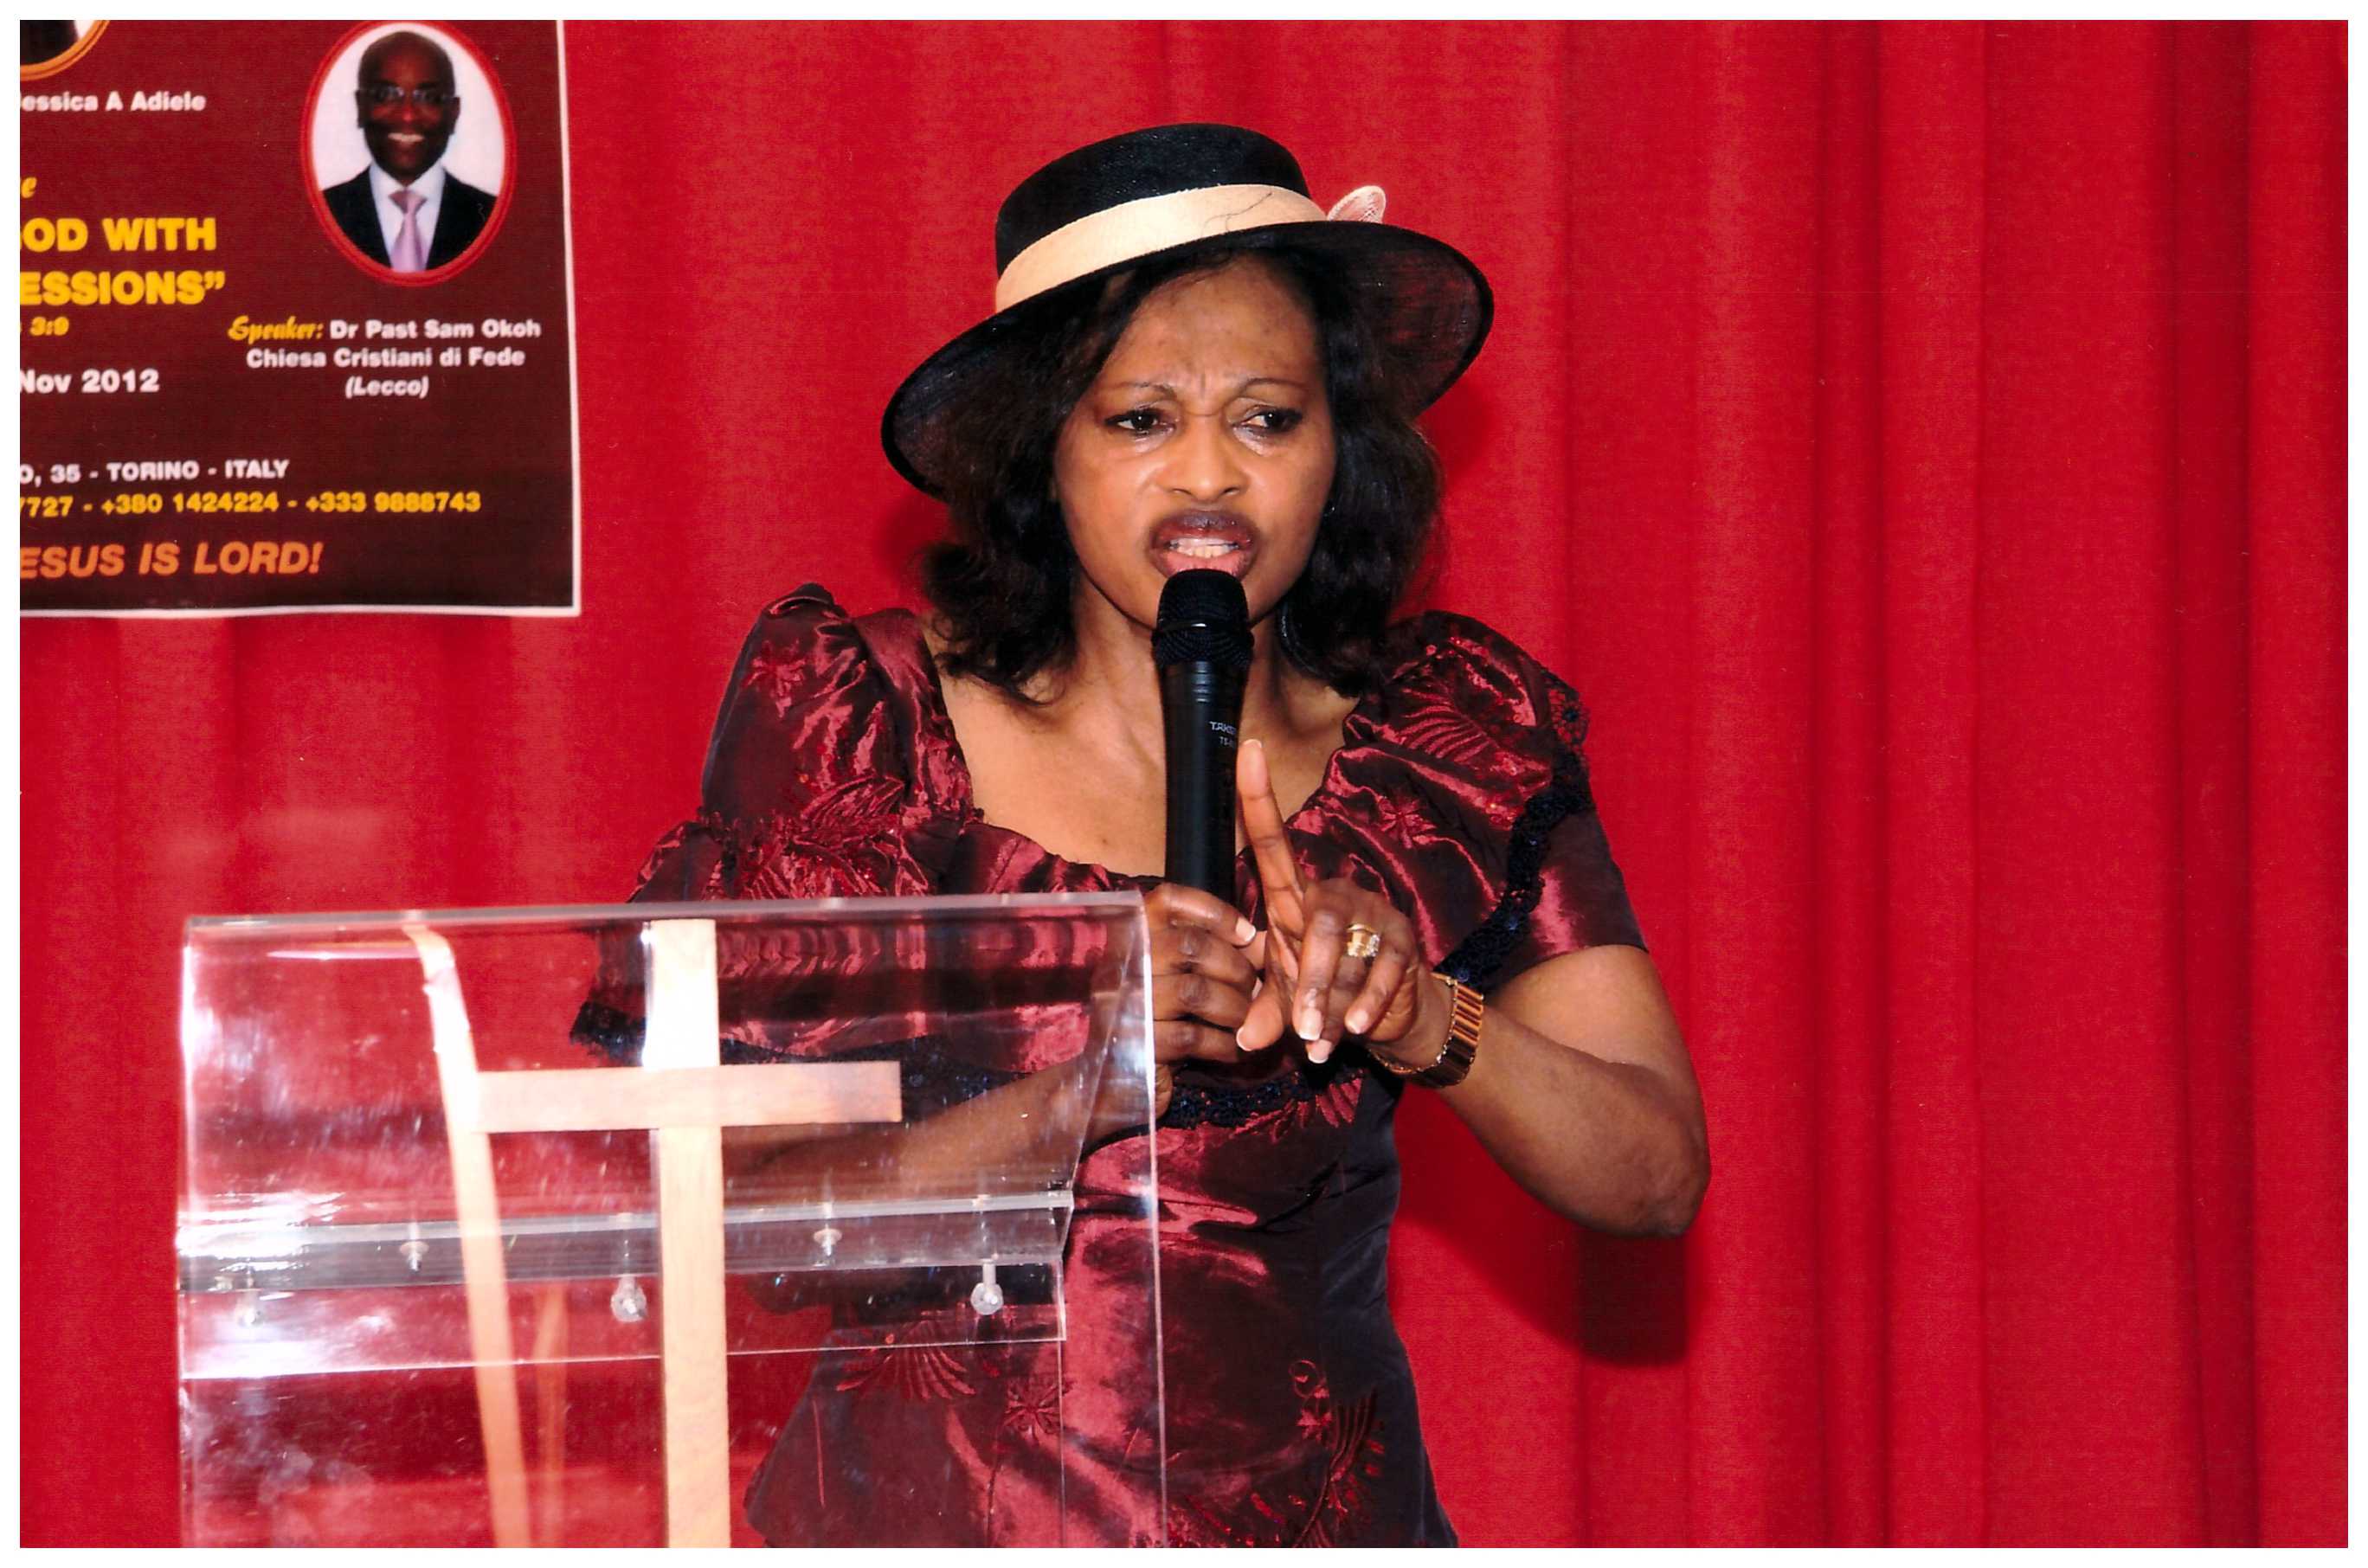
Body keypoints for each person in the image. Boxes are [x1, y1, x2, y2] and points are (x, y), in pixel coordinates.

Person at [596, 123, 1708, 1546]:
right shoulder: (871, 722)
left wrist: (1429, 1014)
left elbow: (1654, 1175)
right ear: (1040, 454)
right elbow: (734, 1223)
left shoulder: (1443, 741)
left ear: (1340, 452)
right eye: (1139, 420)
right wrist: (1086, 1086)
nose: (1208, 479)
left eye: (1268, 418)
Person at [319, 29, 495, 273]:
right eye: (386, 95)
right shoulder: (321, 214)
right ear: (361, 107)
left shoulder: (491, 217)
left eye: (429, 97)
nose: (408, 115)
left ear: (453, 113)